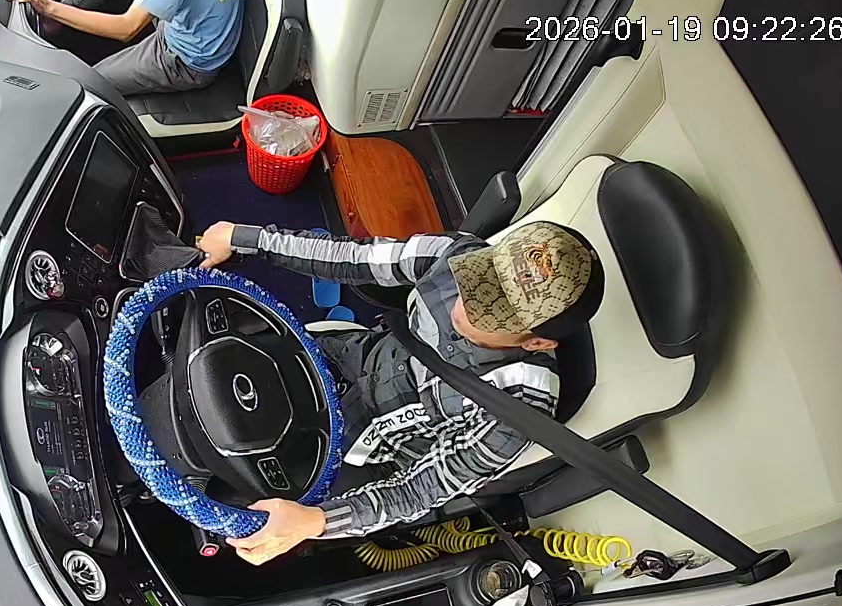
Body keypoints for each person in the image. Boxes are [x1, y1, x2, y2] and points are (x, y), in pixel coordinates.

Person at [194, 220, 605, 565]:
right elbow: (352, 257)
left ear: (537, 343)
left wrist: (314, 522)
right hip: (345, 356)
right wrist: (245, 238)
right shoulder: (456, 253)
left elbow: (418, 490)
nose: (465, 304)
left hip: (371, 452)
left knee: (238, 508)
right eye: (480, 278)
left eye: (493, 313)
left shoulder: (519, 410)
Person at [5, 0, 243, 96]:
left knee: (89, 84)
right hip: (202, 26)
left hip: (185, 60)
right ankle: (60, 18)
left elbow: (126, 29)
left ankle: (55, 17)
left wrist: (47, 7)